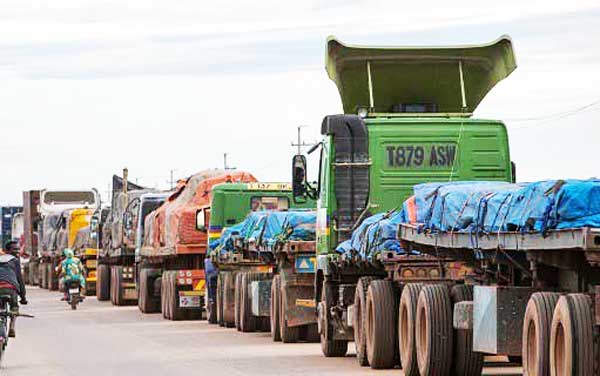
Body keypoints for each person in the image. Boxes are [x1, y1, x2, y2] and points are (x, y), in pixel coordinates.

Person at [0, 241, 27, 338]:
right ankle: (12, 326)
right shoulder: (15, 261)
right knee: (14, 308)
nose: (17, 251)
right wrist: (23, 297)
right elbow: (20, 280)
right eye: (14, 249)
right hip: (11, 288)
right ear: (6, 250)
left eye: (18, 249)